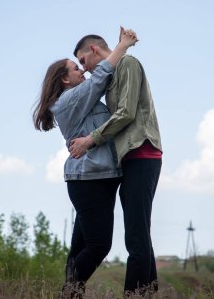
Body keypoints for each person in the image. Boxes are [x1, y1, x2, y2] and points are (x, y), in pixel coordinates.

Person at [33, 28, 137, 299]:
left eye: (80, 65)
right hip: (89, 179)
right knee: (98, 245)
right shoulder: (68, 100)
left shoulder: (75, 99)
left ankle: (71, 295)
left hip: (95, 177)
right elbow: (99, 78)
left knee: (79, 246)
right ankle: (67, 294)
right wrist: (122, 46)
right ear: (64, 80)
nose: (81, 70)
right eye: (74, 68)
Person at [70, 29, 162, 296]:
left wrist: (90, 140)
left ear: (94, 50)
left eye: (83, 61)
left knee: (135, 237)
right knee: (139, 234)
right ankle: (147, 294)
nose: (84, 70)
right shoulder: (110, 78)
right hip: (129, 160)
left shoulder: (128, 64)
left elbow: (126, 113)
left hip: (142, 154)